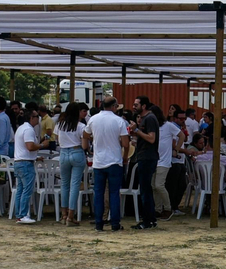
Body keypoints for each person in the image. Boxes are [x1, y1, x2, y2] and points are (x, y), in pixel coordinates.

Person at [88, 98, 129, 231]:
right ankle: (115, 223)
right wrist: (125, 156)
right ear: (114, 106)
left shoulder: (93, 119)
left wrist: (96, 138)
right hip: (114, 160)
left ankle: (99, 223)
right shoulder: (119, 120)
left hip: (99, 161)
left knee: (98, 193)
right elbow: (125, 143)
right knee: (114, 193)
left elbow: (85, 133)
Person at [128, 97, 161, 229]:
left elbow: (151, 139)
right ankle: (151, 219)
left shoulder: (150, 119)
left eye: (136, 104)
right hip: (144, 156)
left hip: (148, 157)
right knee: (146, 189)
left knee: (145, 190)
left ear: (144, 106)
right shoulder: (145, 119)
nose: (134, 106)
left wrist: (137, 131)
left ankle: (147, 221)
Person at [54, 103, 89, 226]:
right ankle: (71, 216)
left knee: (64, 184)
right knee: (75, 185)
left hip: (63, 153)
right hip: (76, 151)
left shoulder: (60, 124)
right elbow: (84, 145)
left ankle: (63, 214)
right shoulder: (81, 126)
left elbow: (57, 139)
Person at [11, 106, 44, 223]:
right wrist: (41, 145)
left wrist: (35, 156)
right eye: (36, 116)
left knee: (20, 189)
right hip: (25, 163)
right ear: (31, 118)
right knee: (27, 190)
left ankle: (19, 214)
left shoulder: (21, 128)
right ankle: (23, 214)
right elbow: (30, 147)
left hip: (19, 161)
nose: (38, 119)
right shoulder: (29, 130)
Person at [155, 103, 180, 220]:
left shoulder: (169, 126)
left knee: (158, 185)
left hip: (164, 161)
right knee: (153, 186)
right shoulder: (153, 126)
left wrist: (177, 150)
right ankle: (158, 209)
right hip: (155, 160)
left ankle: (167, 208)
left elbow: (182, 136)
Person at [164, 108, 189, 212]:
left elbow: (186, 139)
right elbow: (173, 144)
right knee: (174, 185)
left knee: (181, 184)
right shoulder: (172, 127)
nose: (183, 120)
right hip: (174, 161)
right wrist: (184, 152)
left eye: (184, 118)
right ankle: (172, 206)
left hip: (180, 160)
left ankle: (174, 206)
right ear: (174, 118)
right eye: (181, 118)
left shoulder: (180, 127)